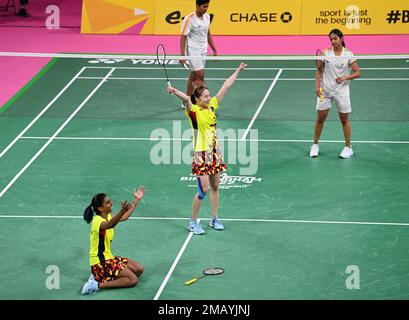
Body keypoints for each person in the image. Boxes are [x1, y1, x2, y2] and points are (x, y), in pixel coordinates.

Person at [167, 63, 247, 235]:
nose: (209, 98)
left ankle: (214, 218)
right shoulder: (193, 111)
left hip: (214, 153)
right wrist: (175, 91)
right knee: (203, 190)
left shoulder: (212, 107)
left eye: (209, 95)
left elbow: (226, 86)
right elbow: (186, 99)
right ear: (198, 99)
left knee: (216, 187)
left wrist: (238, 70)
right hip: (201, 154)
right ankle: (193, 221)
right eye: (205, 96)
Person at [81, 186, 145, 295]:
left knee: (139, 269)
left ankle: (101, 277)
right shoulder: (97, 221)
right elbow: (110, 225)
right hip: (100, 263)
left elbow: (124, 216)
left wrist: (136, 200)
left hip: (109, 258)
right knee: (133, 280)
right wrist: (122, 210)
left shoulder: (108, 216)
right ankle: (95, 285)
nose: (111, 204)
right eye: (108, 203)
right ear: (101, 208)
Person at [310, 28, 361, 159]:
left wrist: (345, 77)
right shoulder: (325, 53)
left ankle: (348, 147)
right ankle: (315, 145)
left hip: (342, 92)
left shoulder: (348, 54)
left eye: (335, 38)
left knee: (344, 120)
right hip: (325, 90)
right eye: (331, 39)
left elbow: (357, 72)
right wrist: (317, 86)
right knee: (320, 118)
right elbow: (319, 70)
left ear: (341, 38)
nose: (333, 41)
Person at [179, 0, 217, 108]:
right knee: (200, 77)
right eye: (204, 6)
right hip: (193, 51)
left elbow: (208, 34)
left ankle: (186, 101)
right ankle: (203, 103)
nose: (206, 9)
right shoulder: (189, 19)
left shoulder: (207, 17)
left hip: (203, 50)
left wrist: (214, 49)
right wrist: (182, 55)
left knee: (193, 77)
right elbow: (183, 37)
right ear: (197, 5)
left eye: (207, 6)